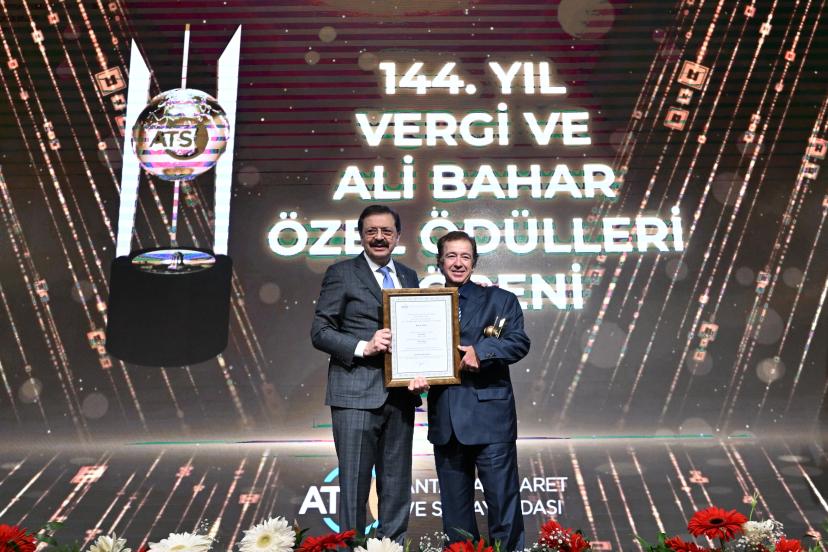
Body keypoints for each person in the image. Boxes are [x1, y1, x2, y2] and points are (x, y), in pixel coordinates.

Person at [310, 204, 420, 542]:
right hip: (355, 394)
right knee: (354, 487)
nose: (379, 237)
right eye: (372, 231)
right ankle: (350, 549)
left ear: (398, 236)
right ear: (361, 235)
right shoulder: (342, 273)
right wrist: (363, 346)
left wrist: (423, 370)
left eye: (386, 231)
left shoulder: (409, 276)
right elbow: (320, 332)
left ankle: (392, 548)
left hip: (401, 396)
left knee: (397, 486)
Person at [417, 230, 530, 552]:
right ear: (439, 261)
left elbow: (518, 342)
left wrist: (481, 351)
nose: (458, 262)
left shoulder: (500, 299)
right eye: (451, 256)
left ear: (474, 262)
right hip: (446, 423)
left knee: (503, 507)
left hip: (490, 419)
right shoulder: (422, 304)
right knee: (455, 517)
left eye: (465, 256)